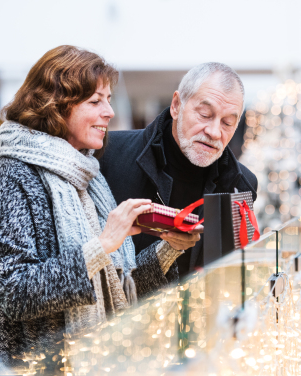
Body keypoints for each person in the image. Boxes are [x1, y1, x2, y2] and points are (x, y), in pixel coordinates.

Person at [0, 46, 190, 376]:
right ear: (56, 104)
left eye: (109, 99)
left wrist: (168, 249)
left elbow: (115, 284)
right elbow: (17, 293)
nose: (110, 112)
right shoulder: (12, 176)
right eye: (96, 101)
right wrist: (102, 244)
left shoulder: (87, 179)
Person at [100, 63, 258, 279]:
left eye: (227, 123)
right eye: (204, 114)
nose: (214, 132)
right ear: (176, 105)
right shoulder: (108, 154)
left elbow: (230, 278)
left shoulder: (242, 184)